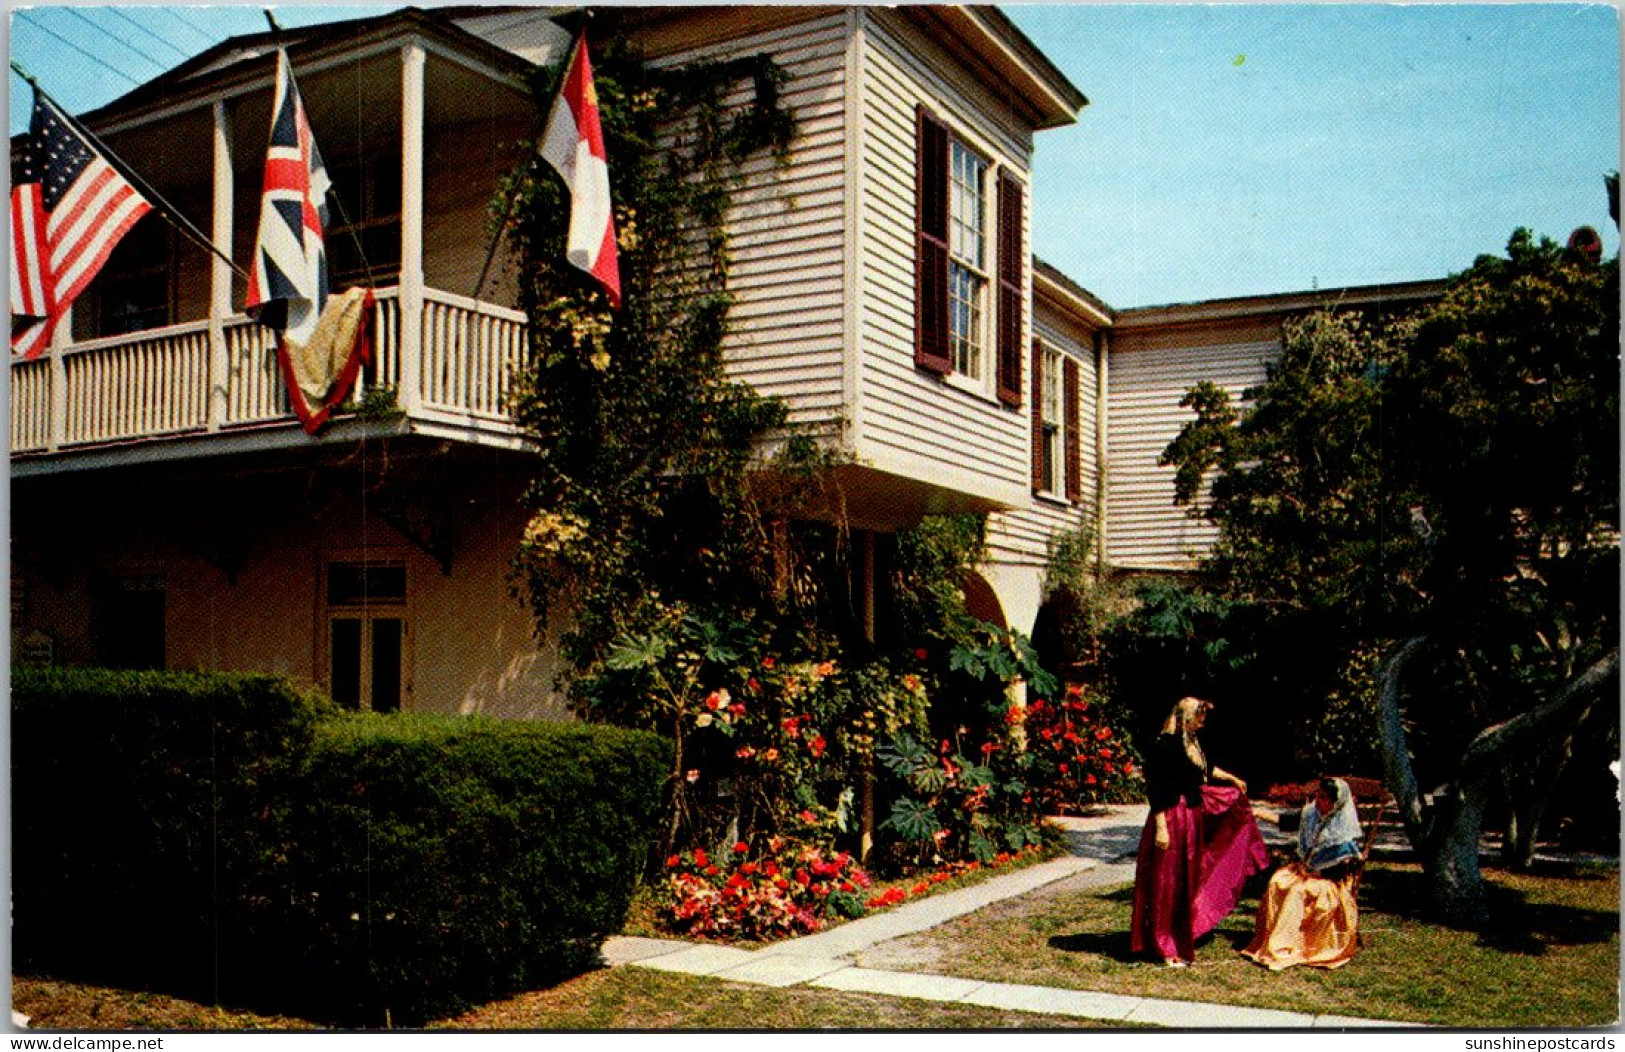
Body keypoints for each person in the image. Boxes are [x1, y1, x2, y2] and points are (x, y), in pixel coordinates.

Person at [1130, 696, 1269, 967]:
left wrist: (1230, 778)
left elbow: (1201, 769)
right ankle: (1164, 944)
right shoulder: (1165, 746)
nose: (1202, 724)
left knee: (1185, 880)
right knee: (1166, 882)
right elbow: (1156, 787)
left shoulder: (1190, 743)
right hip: (1170, 817)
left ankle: (1179, 933)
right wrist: (1161, 827)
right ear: (1185, 718)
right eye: (1199, 718)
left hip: (1188, 818)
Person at [1241, 777, 1364, 971]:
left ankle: (1287, 946)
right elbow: (1286, 820)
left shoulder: (1342, 831)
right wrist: (1259, 813)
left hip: (1329, 880)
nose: (1318, 801)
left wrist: (1319, 871)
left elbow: (1346, 866)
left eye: (1323, 798)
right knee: (1278, 881)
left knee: (1297, 892)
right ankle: (1272, 939)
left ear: (1335, 803)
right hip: (1308, 871)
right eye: (1318, 795)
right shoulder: (1312, 815)